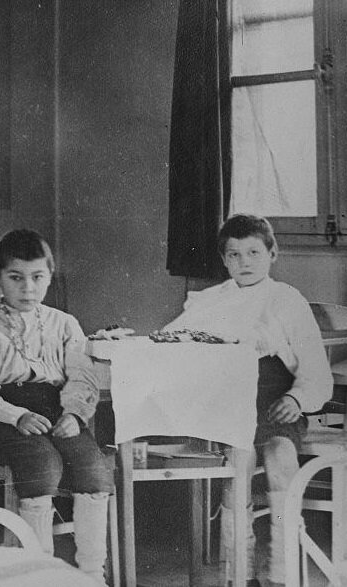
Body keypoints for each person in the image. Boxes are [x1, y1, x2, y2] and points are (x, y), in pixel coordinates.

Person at [163, 214, 332, 587]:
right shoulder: (210, 302)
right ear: (224, 260)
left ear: (273, 254)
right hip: (229, 402)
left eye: (254, 252)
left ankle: (281, 570)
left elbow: (314, 368)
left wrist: (297, 398)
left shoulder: (286, 300)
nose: (245, 262)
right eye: (235, 255)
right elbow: (174, 342)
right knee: (239, 464)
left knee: (280, 458)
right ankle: (238, 573)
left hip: (275, 399)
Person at [0, 228, 115, 584]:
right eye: (16, 278)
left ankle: (91, 575)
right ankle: (41, 576)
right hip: (0, 417)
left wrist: (74, 414)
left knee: (94, 472)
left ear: (49, 277)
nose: (28, 288)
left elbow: (82, 378)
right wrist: (15, 415)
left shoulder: (65, 324)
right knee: (43, 465)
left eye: (37, 277)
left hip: (57, 411)